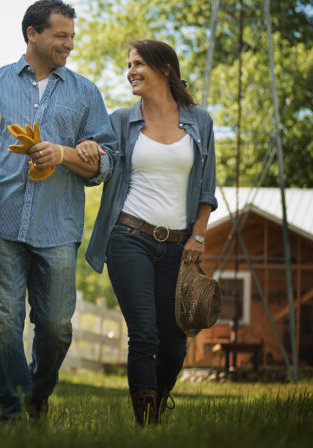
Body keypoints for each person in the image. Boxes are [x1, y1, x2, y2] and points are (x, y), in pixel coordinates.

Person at [0, 0, 116, 422]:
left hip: (58, 226)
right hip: (0, 221)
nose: (70, 44)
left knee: (55, 328)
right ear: (32, 34)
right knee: (1, 320)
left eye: (72, 35)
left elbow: (104, 162)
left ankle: (38, 392)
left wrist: (67, 154)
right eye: (61, 35)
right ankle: (11, 413)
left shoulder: (85, 92)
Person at [81, 39, 217, 426]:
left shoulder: (199, 121)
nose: (130, 72)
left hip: (179, 245)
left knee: (174, 344)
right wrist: (89, 146)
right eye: (128, 65)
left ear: (165, 70)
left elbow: (207, 188)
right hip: (128, 237)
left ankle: (157, 401)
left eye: (138, 64)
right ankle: (146, 424)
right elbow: (101, 158)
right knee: (144, 334)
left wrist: (199, 235)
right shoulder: (121, 120)